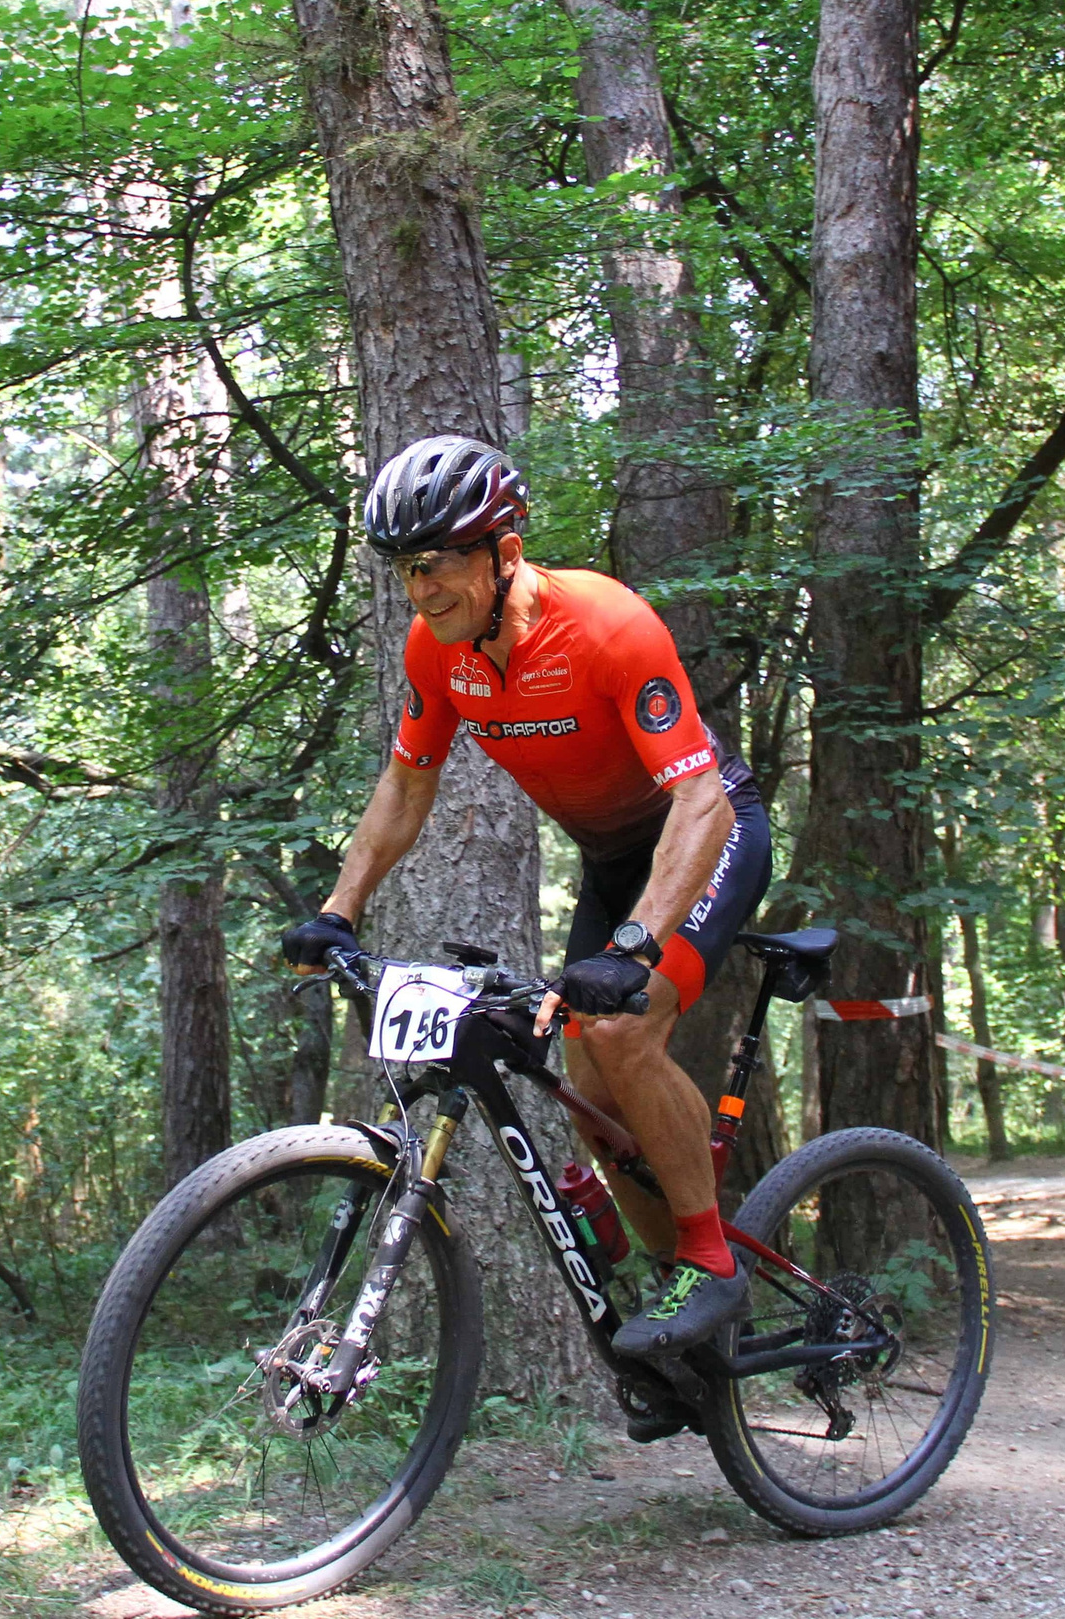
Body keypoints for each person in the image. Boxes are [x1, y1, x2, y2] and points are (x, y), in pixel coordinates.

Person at [280, 434, 773, 1360]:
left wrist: (631, 949)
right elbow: (406, 785)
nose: (420, 592)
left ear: (505, 553)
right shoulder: (440, 651)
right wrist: (339, 910)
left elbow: (699, 800)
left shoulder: (607, 624)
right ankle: (685, 1317)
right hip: (612, 858)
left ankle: (712, 1262)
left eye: (437, 567)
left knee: (622, 1029)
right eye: (404, 570)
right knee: (587, 1083)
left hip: (706, 831)